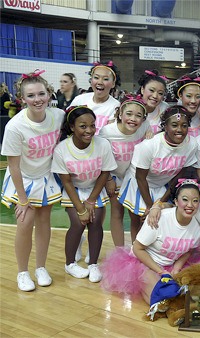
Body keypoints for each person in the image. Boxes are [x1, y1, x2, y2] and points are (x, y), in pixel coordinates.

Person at [1, 70, 65, 291]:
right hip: (24, 178)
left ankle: (40, 267)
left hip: (45, 176)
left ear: (49, 93)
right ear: (22, 99)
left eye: (41, 93)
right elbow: (14, 165)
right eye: (31, 96)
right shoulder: (15, 127)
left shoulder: (59, 116)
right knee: (25, 223)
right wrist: (22, 198)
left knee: (44, 222)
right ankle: (22, 272)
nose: (37, 99)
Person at [101, 179, 200, 303]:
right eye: (185, 200)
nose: (190, 205)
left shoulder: (198, 225)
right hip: (147, 264)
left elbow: (190, 251)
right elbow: (137, 248)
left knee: (193, 293)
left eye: (195, 200)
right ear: (176, 201)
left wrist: (177, 268)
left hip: (171, 265)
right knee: (160, 297)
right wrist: (160, 271)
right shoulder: (159, 218)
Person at [51, 106, 117, 283]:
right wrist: (81, 208)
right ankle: (70, 263)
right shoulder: (61, 149)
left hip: (95, 188)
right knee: (79, 223)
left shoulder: (102, 144)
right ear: (72, 127)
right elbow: (66, 182)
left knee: (96, 223)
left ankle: (93, 264)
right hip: (74, 190)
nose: (89, 130)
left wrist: (91, 200)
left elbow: (104, 173)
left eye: (92, 125)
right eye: (83, 126)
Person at [118, 105, 198, 240]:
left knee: (162, 220)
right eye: (174, 125)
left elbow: (179, 176)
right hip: (141, 184)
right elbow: (140, 177)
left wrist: (161, 203)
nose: (179, 130)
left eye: (184, 125)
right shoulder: (149, 146)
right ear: (165, 126)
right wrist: (151, 206)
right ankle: (136, 252)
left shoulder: (191, 144)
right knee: (140, 220)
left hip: (165, 184)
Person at [99, 94, 148, 246]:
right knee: (117, 212)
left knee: (135, 215)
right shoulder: (107, 131)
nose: (133, 119)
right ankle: (119, 251)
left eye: (138, 115)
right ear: (120, 114)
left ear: (144, 119)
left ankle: (137, 250)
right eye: (129, 114)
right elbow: (102, 157)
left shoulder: (145, 128)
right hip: (114, 176)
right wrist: (107, 180)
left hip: (133, 177)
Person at [70, 61, 121, 135]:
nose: (100, 82)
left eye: (105, 79)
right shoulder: (79, 100)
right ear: (91, 80)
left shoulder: (116, 106)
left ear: (113, 83)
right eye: (96, 77)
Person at [137, 70, 169, 134]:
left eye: (160, 93)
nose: (155, 96)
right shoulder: (132, 107)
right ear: (142, 90)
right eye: (151, 90)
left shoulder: (164, 107)